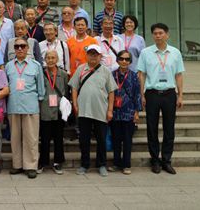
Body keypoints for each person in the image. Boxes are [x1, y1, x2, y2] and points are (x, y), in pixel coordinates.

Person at [138, 23, 185, 175]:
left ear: (167, 35)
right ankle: (155, 160)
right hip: (152, 94)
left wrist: (180, 95)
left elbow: (179, 75)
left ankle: (166, 160)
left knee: (169, 128)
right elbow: (141, 74)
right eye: (155, 33)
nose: (158, 36)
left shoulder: (175, 53)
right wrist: (141, 94)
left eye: (161, 33)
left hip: (169, 94)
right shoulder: (146, 52)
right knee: (151, 128)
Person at [69, 44, 117, 177]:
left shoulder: (105, 71)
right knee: (84, 140)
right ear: (87, 55)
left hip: (101, 110)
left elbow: (111, 91)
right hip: (84, 110)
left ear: (100, 56)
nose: (93, 56)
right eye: (91, 54)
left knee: (101, 139)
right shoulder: (81, 69)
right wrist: (75, 103)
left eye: (96, 54)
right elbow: (74, 87)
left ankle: (101, 164)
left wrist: (110, 110)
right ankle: (84, 164)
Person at [6, 37, 45, 179]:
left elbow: (41, 87)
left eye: (23, 46)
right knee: (15, 138)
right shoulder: (9, 66)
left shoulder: (36, 65)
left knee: (31, 138)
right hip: (13, 106)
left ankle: (31, 166)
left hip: (30, 106)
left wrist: (39, 100)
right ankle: (17, 164)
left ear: (28, 48)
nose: (20, 49)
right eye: (17, 46)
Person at [110, 50, 142, 175]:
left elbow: (137, 94)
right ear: (117, 60)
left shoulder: (134, 76)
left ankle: (126, 164)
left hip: (128, 112)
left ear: (130, 62)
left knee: (127, 140)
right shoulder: (112, 75)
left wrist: (137, 112)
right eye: (121, 59)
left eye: (127, 59)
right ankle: (116, 163)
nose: (124, 61)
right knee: (116, 139)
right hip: (115, 112)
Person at [39, 49, 68, 175]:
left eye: (53, 58)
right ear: (45, 59)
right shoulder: (41, 73)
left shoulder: (63, 74)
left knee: (58, 138)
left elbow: (66, 91)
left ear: (57, 59)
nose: (50, 60)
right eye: (48, 58)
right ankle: (43, 162)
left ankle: (58, 162)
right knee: (44, 138)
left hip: (59, 110)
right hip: (45, 109)